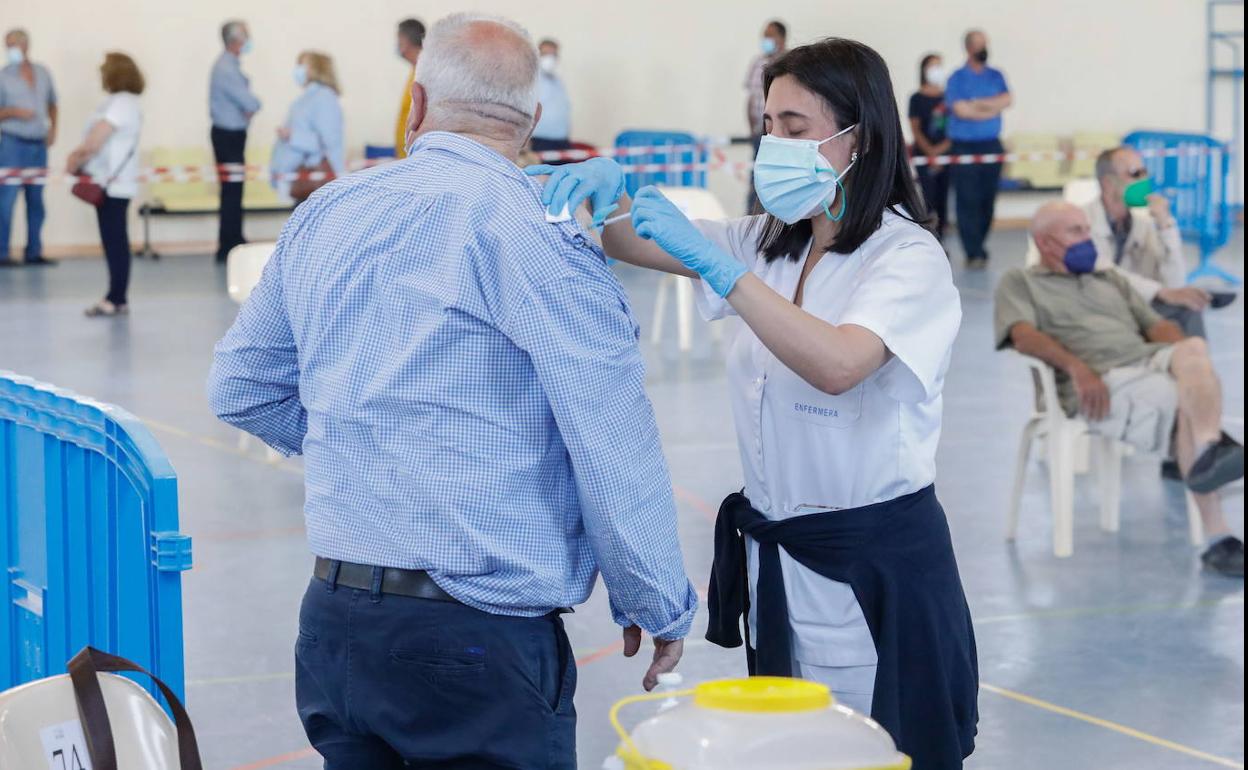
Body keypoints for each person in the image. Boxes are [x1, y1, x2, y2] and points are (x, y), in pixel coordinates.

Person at [207, 14, 697, 769]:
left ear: (417, 104)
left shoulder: (327, 213)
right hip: (475, 641)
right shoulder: (537, 231)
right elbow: (609, 436)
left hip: (336, 627)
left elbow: (241, 387)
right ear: (532, 122)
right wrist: (656, 598)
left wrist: (370, 448)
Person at [529, 37, 977, 769]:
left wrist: (720, 270)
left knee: (872, 745)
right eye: (769, 125)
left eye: (796, 128)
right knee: (794, 747)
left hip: (873, 568)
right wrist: (608, 195)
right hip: (782, 561)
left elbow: (839, 363)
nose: (776, 143)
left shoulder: (906, 258)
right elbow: (627, 240)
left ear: (857, 137)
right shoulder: (767, 242)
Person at [995, 202, 1245, 577]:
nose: (1087, 239)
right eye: (1075, 231)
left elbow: (1156, 326)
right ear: (1045, 243)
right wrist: (1078, 369)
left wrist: (1179, 350)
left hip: (1147, 360)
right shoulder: (1021, 281)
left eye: (1087, 229)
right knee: (1186, 408)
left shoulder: (1108, 278)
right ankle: (1217, 534)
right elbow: (1023, 336)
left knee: (1193, 349)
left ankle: (1211, 448)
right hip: (1102, 379)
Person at [1092, 147, 1210, 337]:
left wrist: (1165, 225)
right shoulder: (1081, 221)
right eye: (1135, 173)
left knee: (1188, 309)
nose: (1144, 180)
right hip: (1097, 311)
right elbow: (1101, 271)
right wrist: (1159, 292)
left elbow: (1175, 283)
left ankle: (1197, 365)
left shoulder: (1144, 223)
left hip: (1135, 307)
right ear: (1108, 183)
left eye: (1145, 172)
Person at [64, 53, 144, 317]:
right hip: (115, 183)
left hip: (113, 184)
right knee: (115, 241)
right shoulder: (123, 103)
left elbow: (95, 141)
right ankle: (116, 295)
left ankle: (116, 297)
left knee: (115, 242)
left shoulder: (121, 103)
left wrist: (76, 159)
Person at [945, 29, 1011, 269]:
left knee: (987, 199)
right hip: (964, 146)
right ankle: (973, 252)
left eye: (986, 43)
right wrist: (992, 107)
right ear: (969, 48)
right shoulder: (957, 78)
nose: (984, 49)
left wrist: (978, 104)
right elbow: (961, 110)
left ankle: (980, 244)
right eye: (979, 44)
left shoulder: (995, 75)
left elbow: (1007, 100)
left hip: (991, 144)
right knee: (968, 199)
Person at [0, 28, 57, 267]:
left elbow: (53, 103)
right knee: (6, 201)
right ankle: (2, 253)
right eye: (7, 45)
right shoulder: (3, 76)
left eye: (13, 44)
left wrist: (54, 129)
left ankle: (34, 251)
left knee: (36, 201)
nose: (9, 49)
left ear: (25, 45)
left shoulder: (43, 73)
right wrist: (14, 112)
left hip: (38, 146)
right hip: (12, 144)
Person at [209, 20, 260, 263]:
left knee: (234, 190)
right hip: (228, 136)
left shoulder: (229, 66)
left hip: (232, 135)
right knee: (231, 191)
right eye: (246, 35)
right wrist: (250, 107)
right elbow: (250, 102)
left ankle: (233, 238)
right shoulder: (226, 68)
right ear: (237, 38)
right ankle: (229, 244)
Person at [270, 51, 344, 203]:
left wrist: (292, 136)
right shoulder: (307, 98)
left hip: (315, 179)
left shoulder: (324, 97)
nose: (297, 70)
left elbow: (328, 142)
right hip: (299, 176)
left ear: (316, 68)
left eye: (302, 65)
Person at [744, 20, 787, 213]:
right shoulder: (757, 63)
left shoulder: (789, 64)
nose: (766, 39)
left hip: (780, 137)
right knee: (756, 180)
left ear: (782, 38)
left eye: (770, 35)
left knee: (778, 180)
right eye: (764, 35)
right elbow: (751, 99)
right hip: (758, 133)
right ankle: (751, 218)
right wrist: (752, 128)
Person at [909, 53, 951, 241]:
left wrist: (941, 151)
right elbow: (916, 129)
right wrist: (931, 153)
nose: (937, 70)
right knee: (928, 197)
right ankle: (928, 236)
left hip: (947, 155)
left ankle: (941, 235)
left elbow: (955, 128)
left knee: (943, 198)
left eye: (940, 66)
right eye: (933, 66)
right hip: (924, 155)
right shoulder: (916, 99)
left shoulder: (949, 97)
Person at [529, 38, 572, 155]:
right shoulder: (531, 79)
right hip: (539, 141)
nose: (550, 59)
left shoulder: (558, 81)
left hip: (561, 141)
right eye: (546, 54)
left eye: (553, 55)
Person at [393, 18, 424, 159]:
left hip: (416, 157)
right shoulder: (414, 69)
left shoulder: (424, 72)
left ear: (404, 41)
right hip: (406, 157)